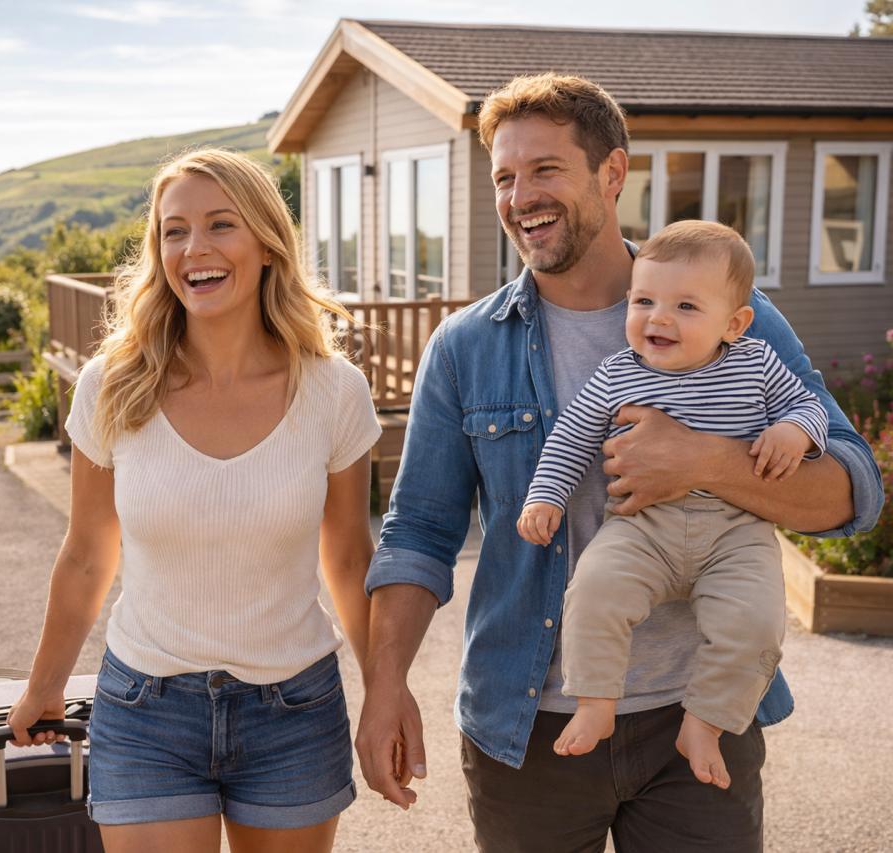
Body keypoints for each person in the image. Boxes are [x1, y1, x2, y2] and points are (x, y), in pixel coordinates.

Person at [354, 73, 883, 852]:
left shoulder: (733, 315)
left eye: (545, 169)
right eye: (504, 177)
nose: (521, 197)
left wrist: (704, 460)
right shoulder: (466, 347)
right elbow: (419, 532)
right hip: (528, 725)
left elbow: (853, 489)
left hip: (696, 718)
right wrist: (384, 683)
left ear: (612, 173)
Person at [6, 148, 380, 853]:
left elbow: (350, 557)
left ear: (267, 244)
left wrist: (385, 692)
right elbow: (87, 553)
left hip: (294, 710)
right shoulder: (113, 385)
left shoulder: (334, 391)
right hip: (146, 708)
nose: (194, 249)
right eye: (173, 231)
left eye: (220, 225)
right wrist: (44, 684)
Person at [516, 220, 829, 789]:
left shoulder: (756, 363)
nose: (658, 318)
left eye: (685, 306)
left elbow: (810, 408)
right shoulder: (617, 374)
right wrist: (546, 495)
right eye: (644, 301)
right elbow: (570, 438)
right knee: (593, 590)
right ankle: (595, 700)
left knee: (757, 624)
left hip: (736, 530)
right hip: (641, 526)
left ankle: (705, 722)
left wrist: (795, 431)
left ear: (734, 324)